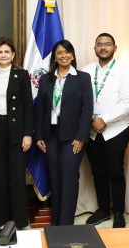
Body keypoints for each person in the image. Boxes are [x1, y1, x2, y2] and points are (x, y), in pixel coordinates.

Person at [34, 40, 93, 226]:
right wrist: (38, 135)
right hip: (50, 134)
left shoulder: (83, 78)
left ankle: (66, 225)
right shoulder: (46, 79)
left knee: (69, 177)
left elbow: (87, 110)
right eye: (59, 53)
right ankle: (56, 223)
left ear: (72, 55)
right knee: (55, 177)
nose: (63, 56)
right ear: (55, 57)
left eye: (67, 52)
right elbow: (40, 109)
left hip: (73, 136)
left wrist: (81, 137)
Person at [83, 33, 129, 228]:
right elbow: (80, 99)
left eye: (107, 44)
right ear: (95, 48)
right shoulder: (86, 71)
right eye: (99, 44)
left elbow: (127, 103)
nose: (103, 47)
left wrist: (104, 119)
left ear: (115, 48)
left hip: (116, 130)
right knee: (98, 172)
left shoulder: (124, 72)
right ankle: (103, 210)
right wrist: (92, 120)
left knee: (115, 172)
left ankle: (119, 212)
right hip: (91, 130)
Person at [0, 37, 34, 230]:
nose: (3, 55)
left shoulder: (22, 75)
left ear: (13, 55)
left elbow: (28, 106)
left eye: (6, 52)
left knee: (17, 177)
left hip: (17, 131)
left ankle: (19, 221)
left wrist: (28, 134)